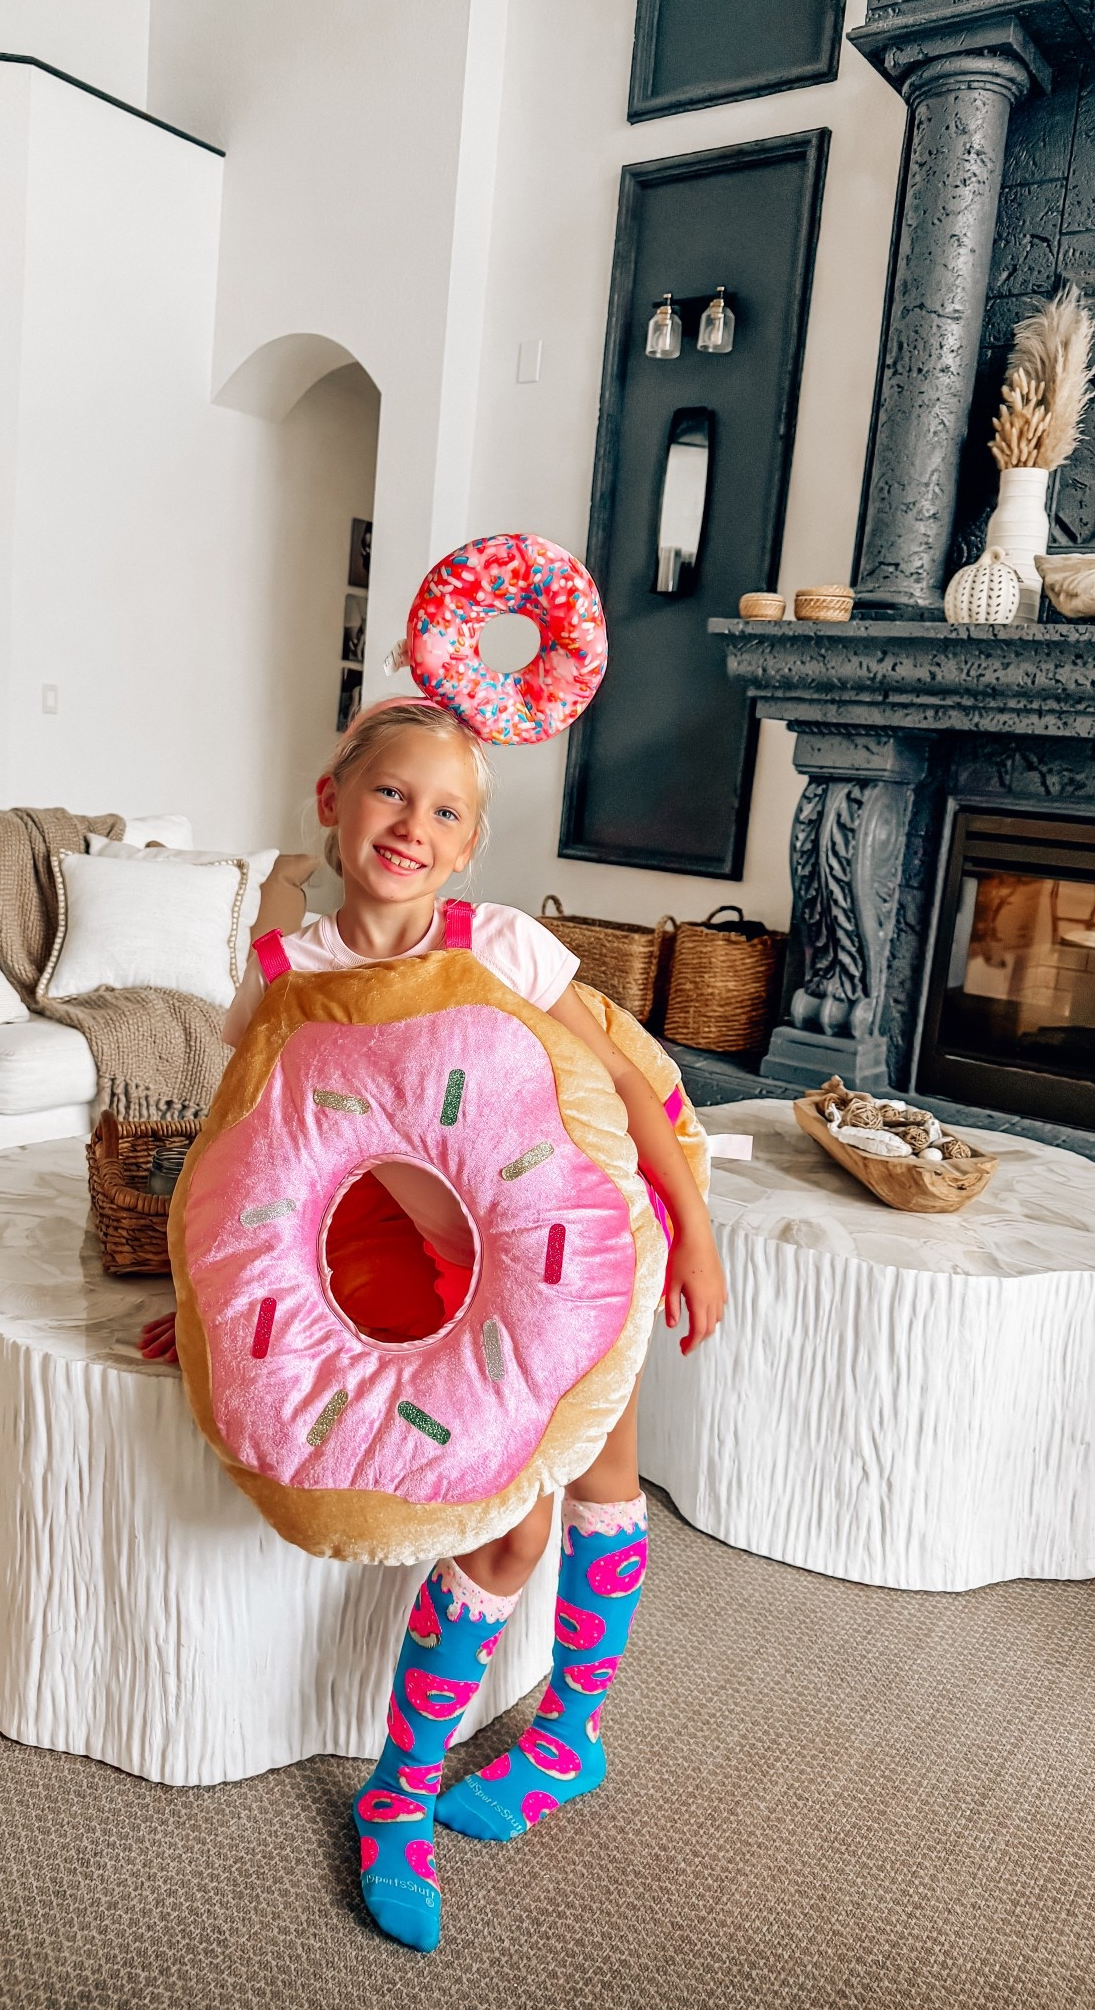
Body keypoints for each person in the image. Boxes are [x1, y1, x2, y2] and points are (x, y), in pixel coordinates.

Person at [218, 697, 726, 1954]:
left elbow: (607, 1084)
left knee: (607, 1480)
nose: (412, 823)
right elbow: (250, 1155)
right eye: (390, 792)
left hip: (568, 1262)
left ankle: (569, 1737)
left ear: (468, 846)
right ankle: (400, 1795)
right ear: (331, 797)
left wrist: (695, 1225)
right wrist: (221, 1305)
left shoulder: (496, 945)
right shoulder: (286, 977)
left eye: (445, 811)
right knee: (507, 1539)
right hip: (429, 1278)